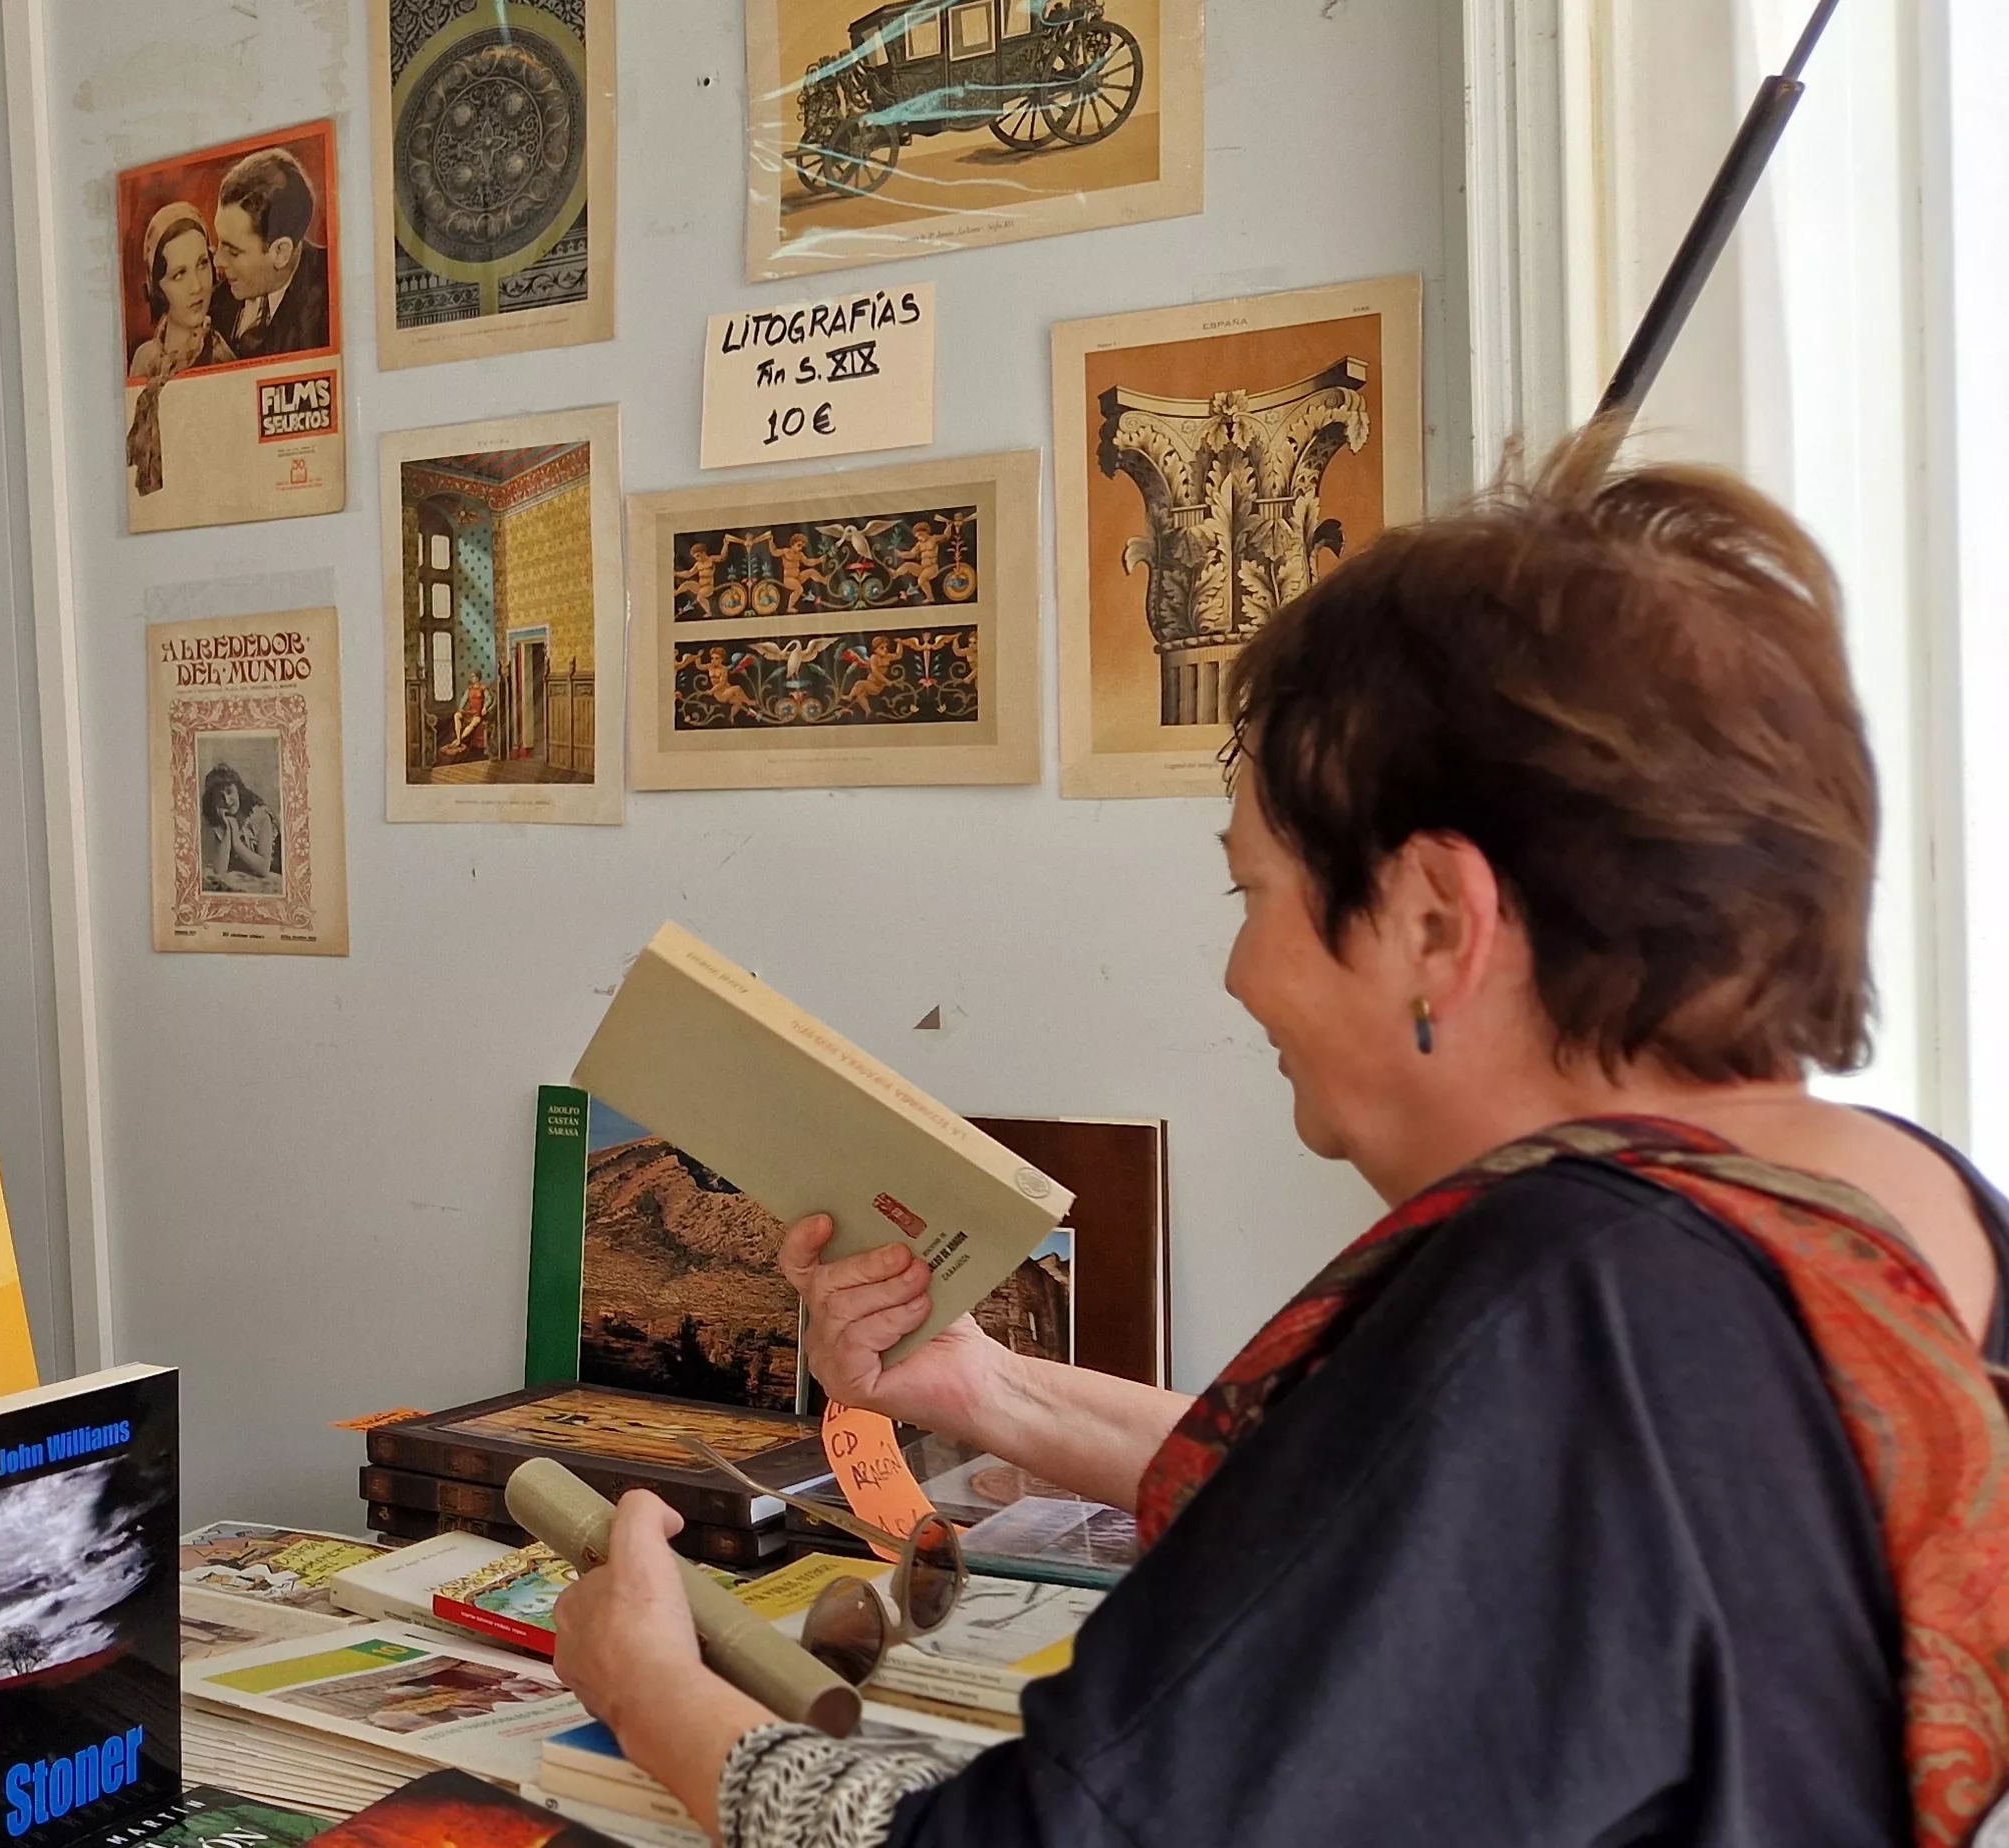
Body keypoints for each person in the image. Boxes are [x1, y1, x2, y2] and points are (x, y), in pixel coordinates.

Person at [548, 427, 2009, 1847]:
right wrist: (989, 1389)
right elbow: (1392, 1527)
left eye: (1252, 894)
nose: (1242, 977)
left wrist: (654, 1686)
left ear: (1435, 923)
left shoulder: (1579, 1298)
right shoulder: (1899, 1203)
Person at [211, 144, 328, 359]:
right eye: (219, 243)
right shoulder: (214, 303)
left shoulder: (330, 299)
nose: (217, 260)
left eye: (234, 252)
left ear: (281, 252)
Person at [130, 201, 238, 384]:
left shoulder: (223, 362)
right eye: (179, 274)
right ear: (157, 289)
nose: (197, 286)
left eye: (202, 264)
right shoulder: (143, 358)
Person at [200, 760, 281, 894]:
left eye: (229, 792)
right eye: (220, 797)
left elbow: (264, 868)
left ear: (238, 789)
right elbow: (220, 871)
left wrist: (236, 843)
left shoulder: (260, 817)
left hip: (269, 877)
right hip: (243, 880)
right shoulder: (223, 819)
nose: (227, 801)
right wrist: (228, 828)